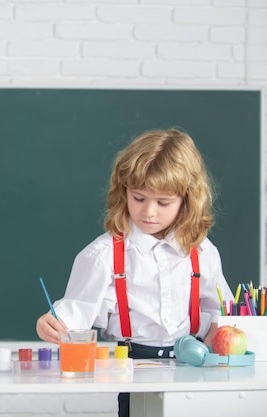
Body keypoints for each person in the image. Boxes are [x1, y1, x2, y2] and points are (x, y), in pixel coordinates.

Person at [35, 129, 233, 417]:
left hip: (195, 368)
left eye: (163, 203)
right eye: (138, 198)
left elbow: (220, 312)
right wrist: (51, 323)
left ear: (187, 200)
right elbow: (75, 312)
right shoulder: (102, 255)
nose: (149, 212)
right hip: (132, 370)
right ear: (123, 189)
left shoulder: (202, 252)